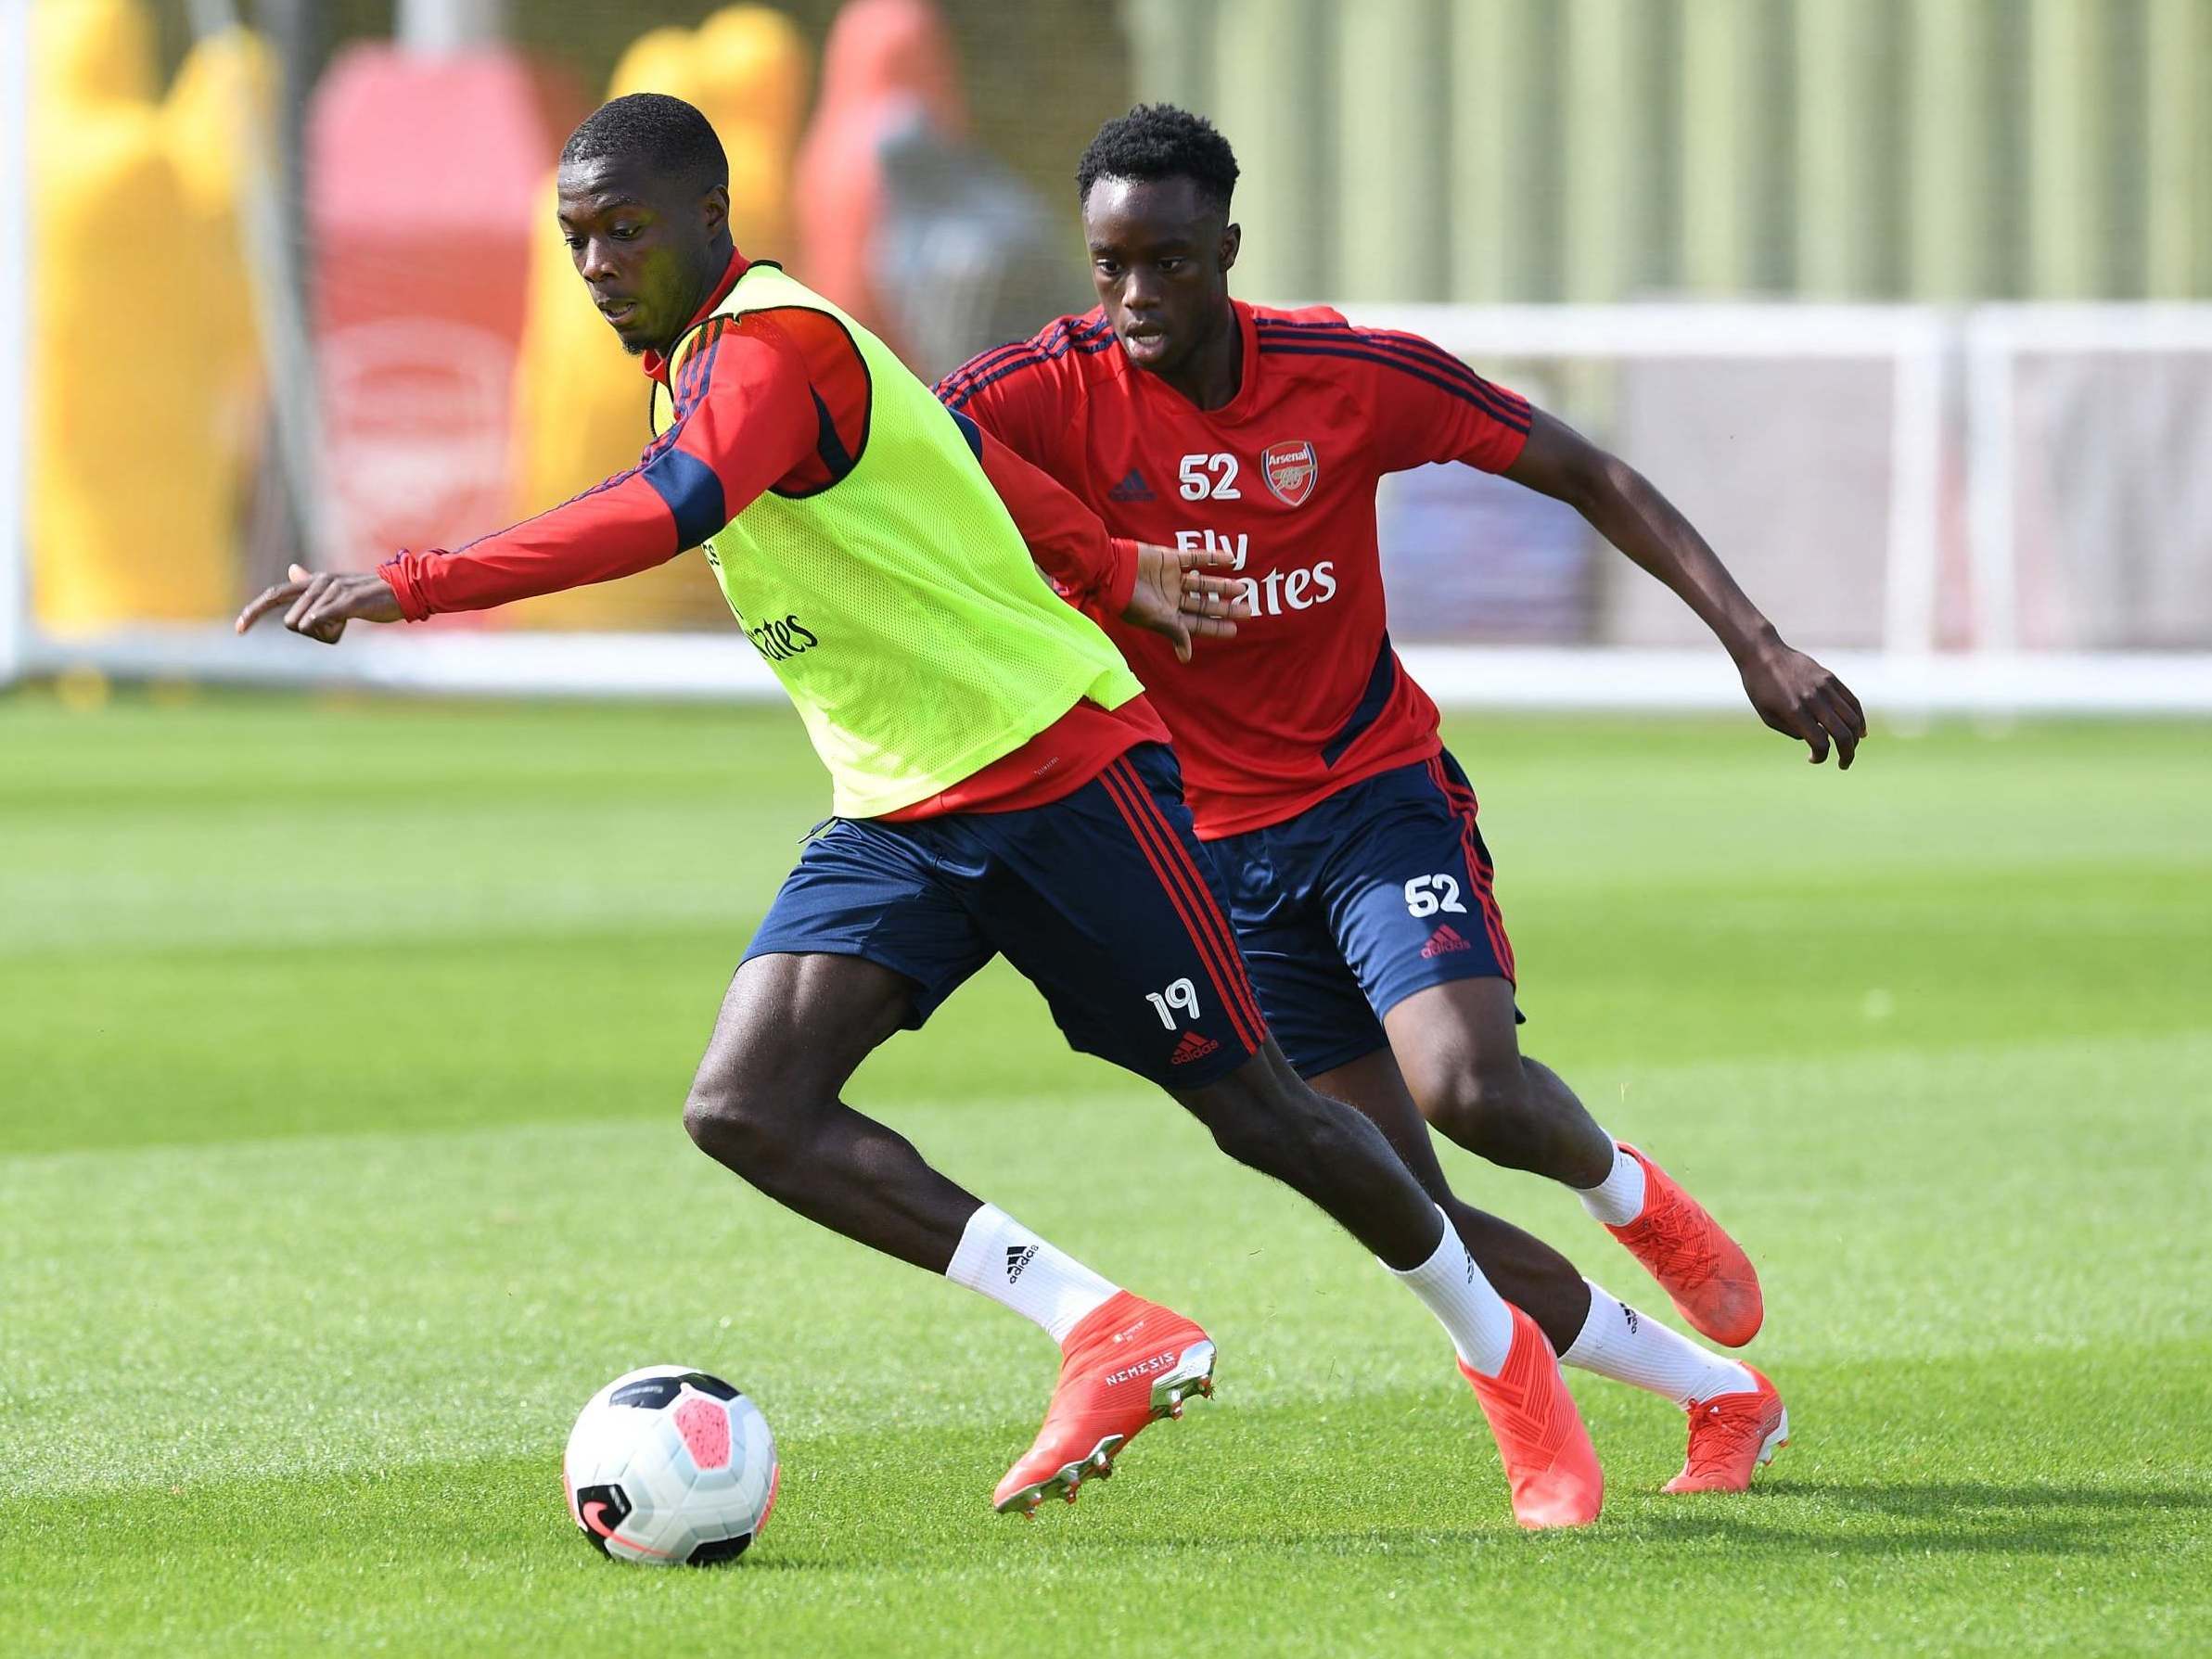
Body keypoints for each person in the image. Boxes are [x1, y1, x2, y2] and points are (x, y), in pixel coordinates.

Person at [236, 93, 1604, 1530]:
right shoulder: (702, 360)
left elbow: (678, 504)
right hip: (899, 806)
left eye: (624, 230)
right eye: (574, 235)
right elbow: (963, 466)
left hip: (1060, 768)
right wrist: (1107, 556)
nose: (594, 261)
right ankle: (1099, 1324)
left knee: (1263, 1114)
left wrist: (423, 578)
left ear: (713, 220)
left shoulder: (776, 344)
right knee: (746, 1106)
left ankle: (1509, 1367)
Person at [939, 105, 1869, 1493]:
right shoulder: (1040, 389)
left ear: (1227, 251)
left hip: (1372, 795)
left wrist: (1756, 641)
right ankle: (1721, 1393)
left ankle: (1628, 1192)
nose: (1135, 296)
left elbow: (1585, 468)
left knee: (1467, 1086)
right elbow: (891, 446)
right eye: (1108, 265)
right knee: (1408, 1210)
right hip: (1210, 856)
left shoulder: (1339, 374)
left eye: (1169, 263)